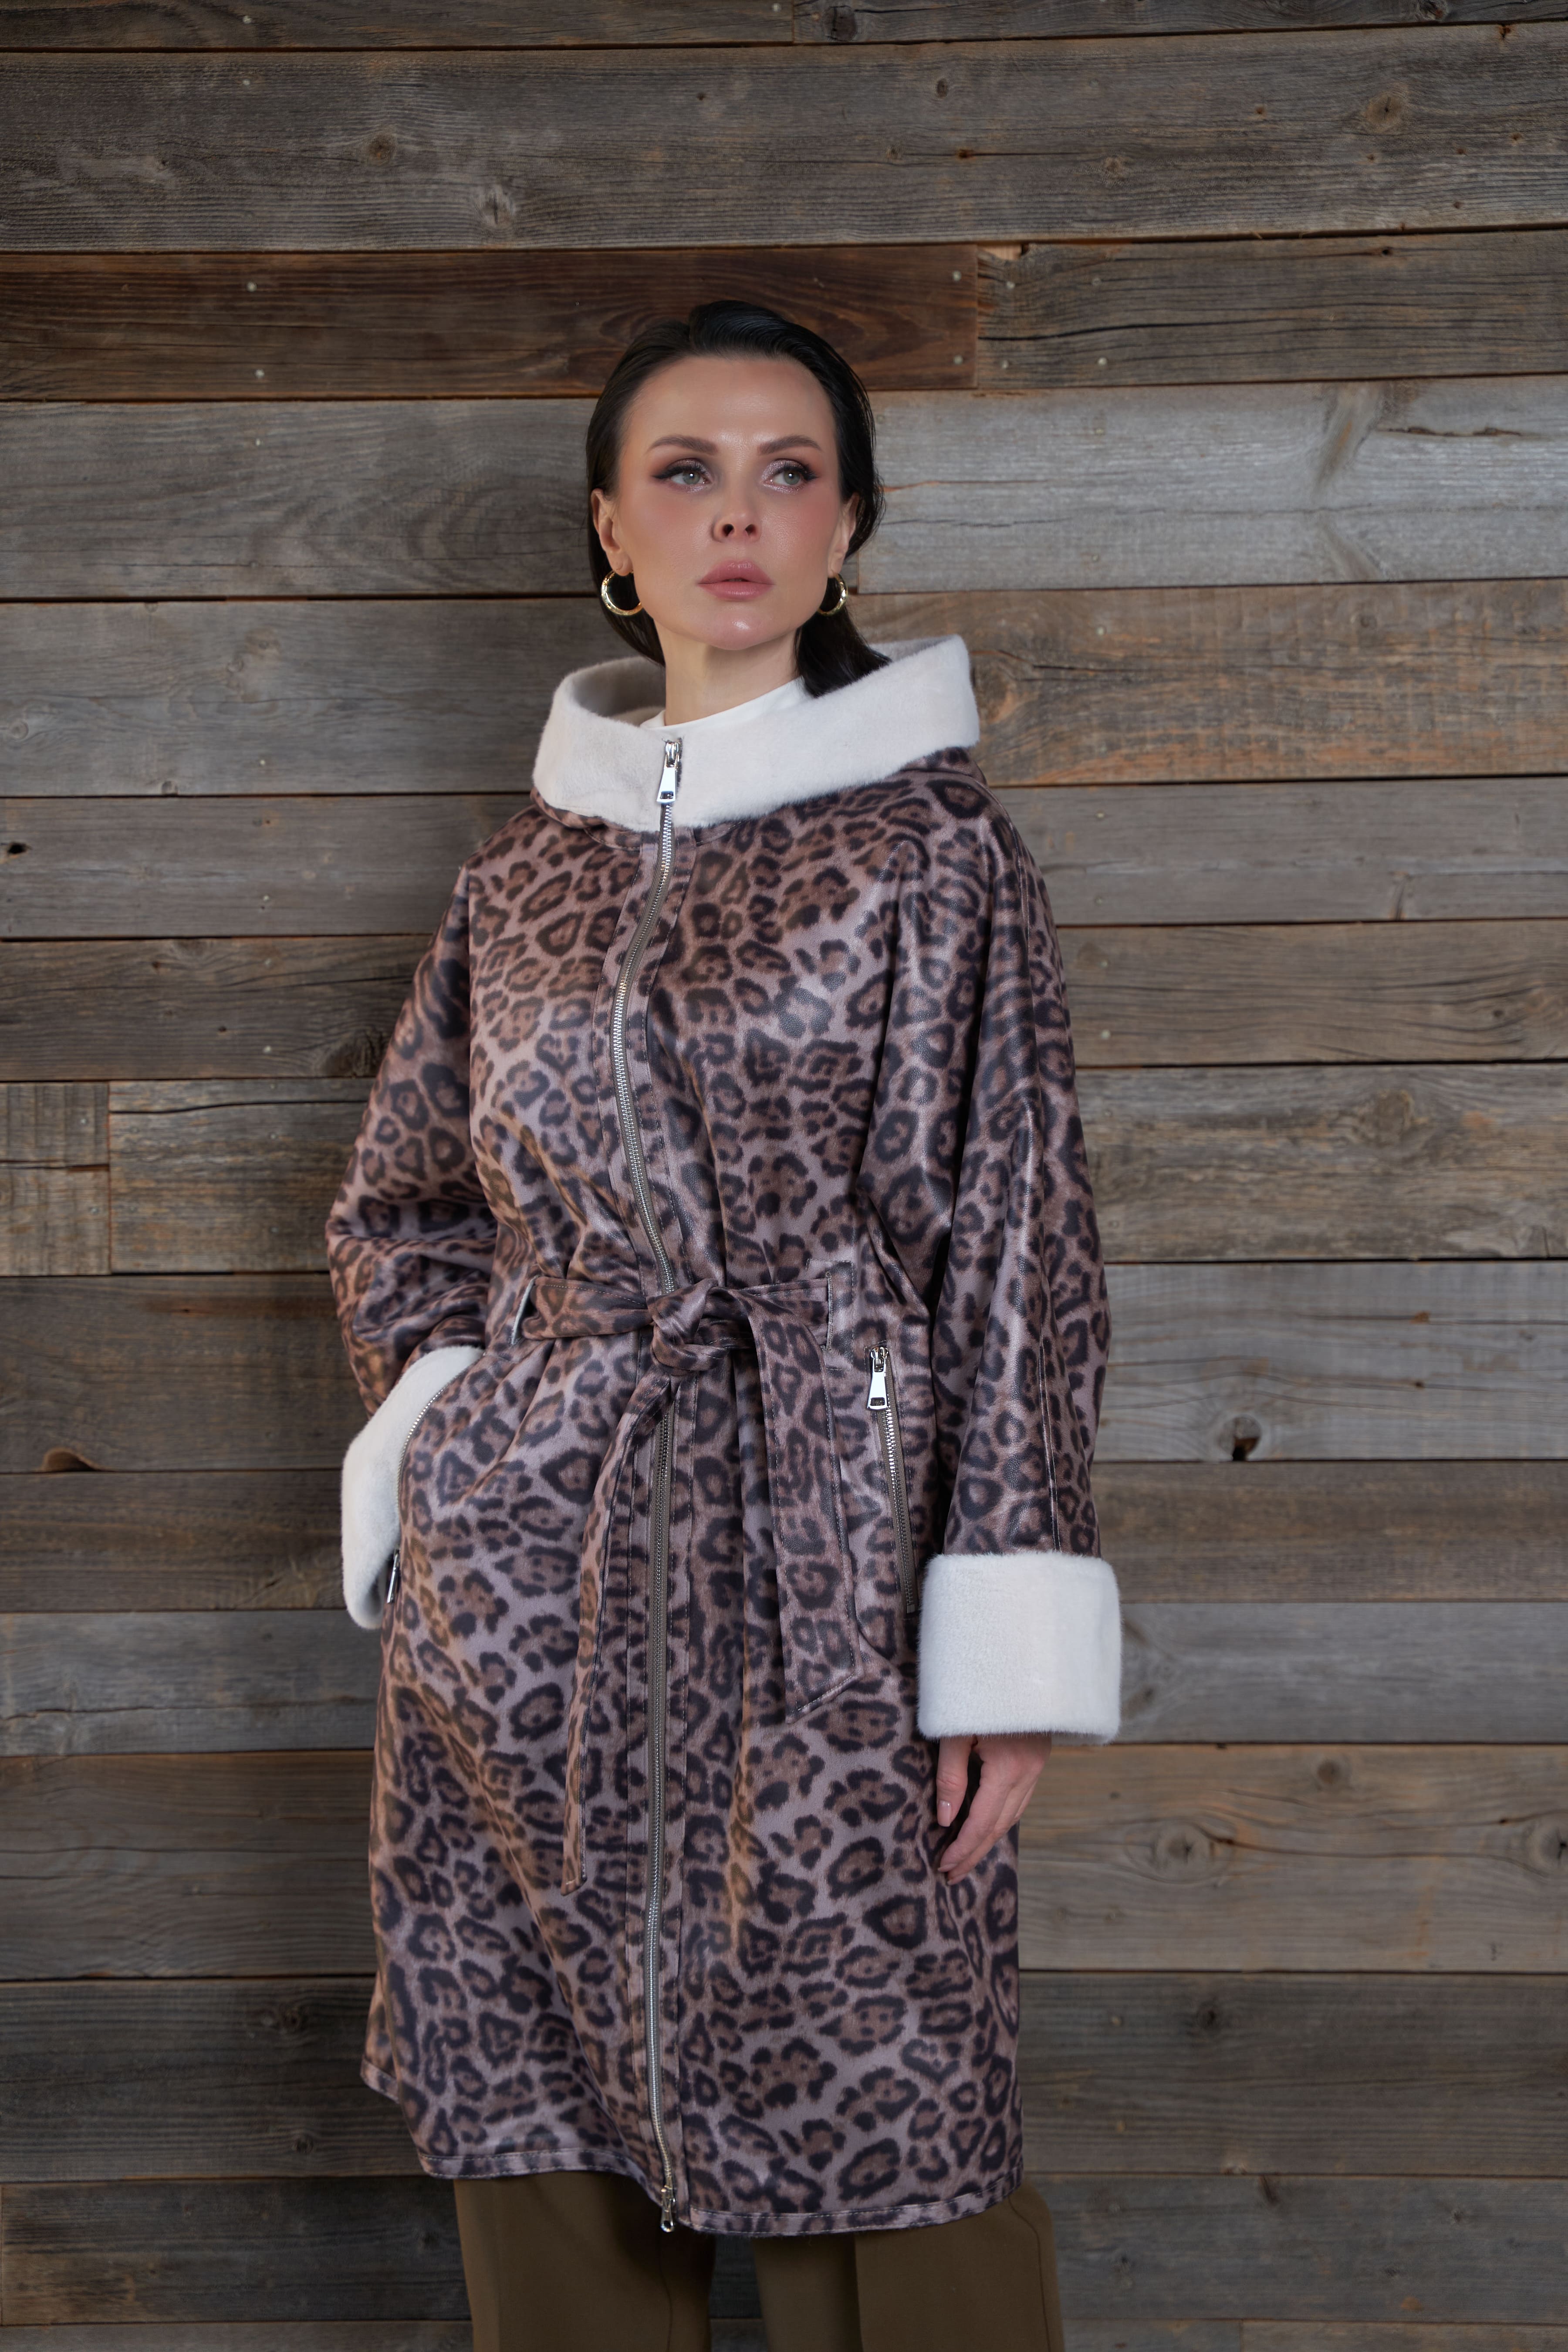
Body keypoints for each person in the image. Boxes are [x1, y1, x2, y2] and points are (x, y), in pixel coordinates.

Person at [324, 298, 1123, 2352]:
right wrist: (448, 1437)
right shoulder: (521, 882)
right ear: (615, 525)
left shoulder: (936, 850)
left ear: (849, 526)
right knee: (547, 2142)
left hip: (838, 1557)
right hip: (527, 1587)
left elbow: (1019, 1240)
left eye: (790, 472)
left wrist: (1003, 1622)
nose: (738, 515)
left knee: (896, 2117)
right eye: (686, 472)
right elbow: (405, 1206)